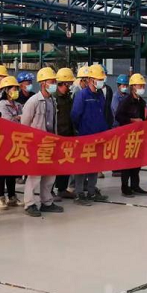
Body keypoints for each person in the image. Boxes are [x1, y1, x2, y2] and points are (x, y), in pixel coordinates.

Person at [21, 68, 64, 217]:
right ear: (43, 83)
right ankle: (29, 204)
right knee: (35, 175)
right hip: (36, 144)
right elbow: (25, 124)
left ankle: (47, 202)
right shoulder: (33, 101)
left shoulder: (52, 100)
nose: (54, 84)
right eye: (52, 81)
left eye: (55, 81)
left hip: (50, 143)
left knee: (50, 175)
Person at [70, 65, 110, 204]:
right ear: (91, 80)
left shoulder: (100, 95)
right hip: (85, 136)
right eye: (99, 79)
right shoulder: (82, 95)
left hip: (98, 136)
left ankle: (92, 192)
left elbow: (103, 112)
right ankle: (79, 193)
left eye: (102, 79)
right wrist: (81, 130)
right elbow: (75, 115)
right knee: (82, 166)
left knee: (95, 165)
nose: (101, 82)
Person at [115, 74, 147, 197]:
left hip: (138, 137)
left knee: (137, 162)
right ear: (133, 86)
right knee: (127, 163)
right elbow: (118, 116)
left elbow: (144, 119)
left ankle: (135, 185)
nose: (142, 88)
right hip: (127, 136)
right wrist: (132, 120)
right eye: (140, 86)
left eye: (143, 86)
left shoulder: (142, 102)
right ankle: (125, 187)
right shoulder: (126, 101)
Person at [0, 76, 23, 210]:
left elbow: (24, 119)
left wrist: (18, 118)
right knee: (1, 170)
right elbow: (7, 120)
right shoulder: (1, 105)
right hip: (3, 140)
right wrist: (18, 118)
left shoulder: (18, 105)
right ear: (6, 90)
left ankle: (12, 196)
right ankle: (0, 196)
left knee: (12, 170)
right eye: (13, 89)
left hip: (15, 140)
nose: (15, 91)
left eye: (16, 89)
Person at [53, 68, 77, 200]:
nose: (70, 86)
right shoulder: (54, 98)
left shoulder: (68, 97)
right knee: (54, 166)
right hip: (57, 136)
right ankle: (50, 191)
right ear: (63, 83)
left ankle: (62, 189)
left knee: (66, 164)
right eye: (69, 84)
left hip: (68, 135)